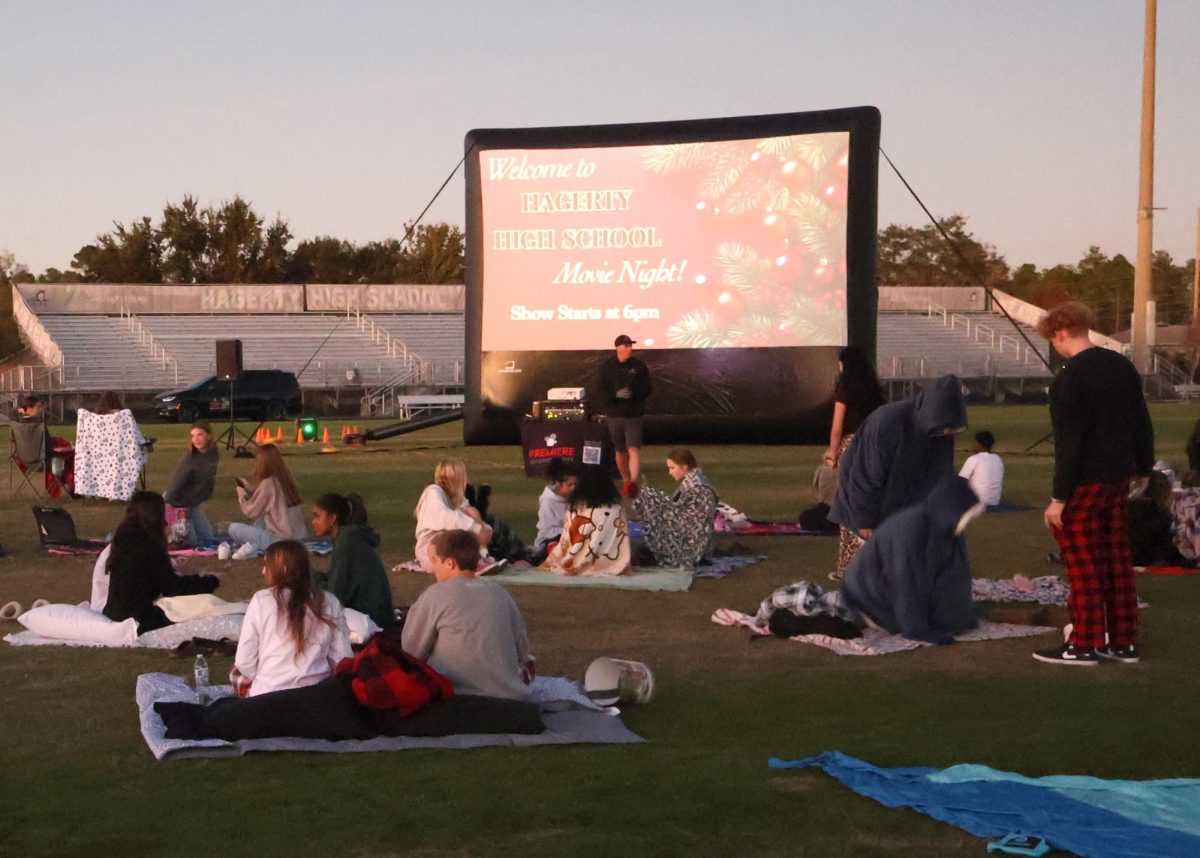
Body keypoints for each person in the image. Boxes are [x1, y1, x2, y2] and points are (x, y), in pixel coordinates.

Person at [1035, 301, 1153, 666]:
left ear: (1059, 334)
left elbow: (1069, 444)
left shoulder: (1068, 379)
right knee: (1117, 561)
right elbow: (1140, 420)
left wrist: (1058, 497)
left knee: (1083, 564)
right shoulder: (1120, 366)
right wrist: (1144, 467)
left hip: (1085, 481)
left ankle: (1083, 643)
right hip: (1119, 477)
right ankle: (1122, 642)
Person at [829, 374, 967, 581]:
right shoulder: (888, 422)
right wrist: (865, 520)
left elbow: (939, 474)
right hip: (862, 498)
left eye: (950, 427)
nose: (946, 431)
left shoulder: (943, 431)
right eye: (943, 426)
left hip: (900, 500)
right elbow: (864, 476)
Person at [842, 476, 983, 643]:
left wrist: (960, 616)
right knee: (910, 586)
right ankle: (905, 622)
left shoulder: (947, 530)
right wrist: (917, 629)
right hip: (869, 598)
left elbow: (956, 574)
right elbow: (904, 581)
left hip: (892, 592)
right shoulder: (910, 532)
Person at [401, 529, 534, 700]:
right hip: (510, 698)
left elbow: (411, 651)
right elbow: (522, 651)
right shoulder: (500, 594)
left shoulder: (436, 594)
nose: (433, 569)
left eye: (434, 561)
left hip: (458, 697)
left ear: (449, 563)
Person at [233, 540, 353, 698]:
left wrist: (267, 679)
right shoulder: (329, 601)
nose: (263, 571)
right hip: (316, 698)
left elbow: (244, 661)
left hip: (266, 699)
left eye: (266, 565)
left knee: (235, 674)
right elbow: (342, 659)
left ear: (282, 568)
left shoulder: (262, 600)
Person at [101, 491, 219, 633]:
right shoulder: (148, 545)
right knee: (199, 609)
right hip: (138, 618)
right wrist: (208, 580)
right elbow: (172, 588)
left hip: (115, 612)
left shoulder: (124, 537)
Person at [824, 346, 886, 579]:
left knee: (848, 502)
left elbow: (837, 427)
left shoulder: (845, 388)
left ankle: (849, 566)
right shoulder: (873, 389)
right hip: (873, 446)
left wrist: (833, 453)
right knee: (869, 498)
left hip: (851, 445)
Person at [310, 492, 395, 629]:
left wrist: (307, 575)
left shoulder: (347, 541)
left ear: (333, 518)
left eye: (317, 516)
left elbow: (335, 597)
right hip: (377, 615)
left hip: (372, 620)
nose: (313, 522)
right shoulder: (348, 538)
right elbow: (336, 581)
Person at [632, 447, 718, 568]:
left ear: (684, 466)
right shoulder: (698, 481)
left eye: (672, 468)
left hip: (692, 547)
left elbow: (678, 514)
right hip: (699, 542)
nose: (670, 472)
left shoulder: (696, 487)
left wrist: (651, 500)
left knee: (650, 502)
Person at [541, 464, 631, 577]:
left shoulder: (575, 510)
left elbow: (567, 541)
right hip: (611, 560)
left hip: (576, 559)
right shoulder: (617, 510)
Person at [413, 458, 493, 573]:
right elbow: (445, 518)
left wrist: (484, 530)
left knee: (471, 512)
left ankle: (484, 555)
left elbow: (470, 515)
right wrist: (476, 529)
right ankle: (479, 559)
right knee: (464, 523)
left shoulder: (455, 496)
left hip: (448, 546)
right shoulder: (433, 492)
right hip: (431, 550)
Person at [229, 443, 307, 560]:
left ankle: (253, 546)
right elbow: (266, 499)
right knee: (260, 520)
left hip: (280, 541)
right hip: (297, 537)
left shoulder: (269, 483)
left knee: (233, 528)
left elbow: (250, 510)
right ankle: (253, 544)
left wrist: (242, 494)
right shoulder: (285, 478)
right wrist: (248, 487)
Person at [597, 334, 652, 496]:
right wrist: (615, 395)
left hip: (633, 413)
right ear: (618, 347)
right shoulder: (607, 367)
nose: (629, 349)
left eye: (630, 346)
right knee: (620, 450)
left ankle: (633, 482)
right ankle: (626, 480)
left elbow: (647, 388)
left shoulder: (639, 366)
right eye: (626, 346)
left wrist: (633, 394)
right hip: (614, 414)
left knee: (633, 448)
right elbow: (600, 390)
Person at [163, 420, 219, 546]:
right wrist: (169, 506)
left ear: (209, 436)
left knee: (208, 537)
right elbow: (176, 483)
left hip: (193, 504)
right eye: (193, 436)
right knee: (191, 542)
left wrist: (206, 494)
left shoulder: (213, 453)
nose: (196, 439)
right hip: (177, 503)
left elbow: (210, 478)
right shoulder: (190, 459)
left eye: (200, 435)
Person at [1127, 471, 1188, 568]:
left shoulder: (1127, 509)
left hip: (1130, 559)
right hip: (1152, 561)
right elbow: (1168, 548)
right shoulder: (1160, 514)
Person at [531, 458, 578, 564]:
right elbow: (549, 530)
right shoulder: (547, 501)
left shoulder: (575, 498)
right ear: (559, 483)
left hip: (571, 537)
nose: (573, 488)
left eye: (575, 485)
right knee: (555, 545)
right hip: (549, 539)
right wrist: (570, 531)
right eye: (570, 485)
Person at [959, 430, 1005, 508]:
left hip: (975, 503)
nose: (973, 445)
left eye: (975, 442)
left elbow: (961, 481)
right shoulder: (998, 459)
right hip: (994, 502)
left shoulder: (974, 459)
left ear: (980, 444)